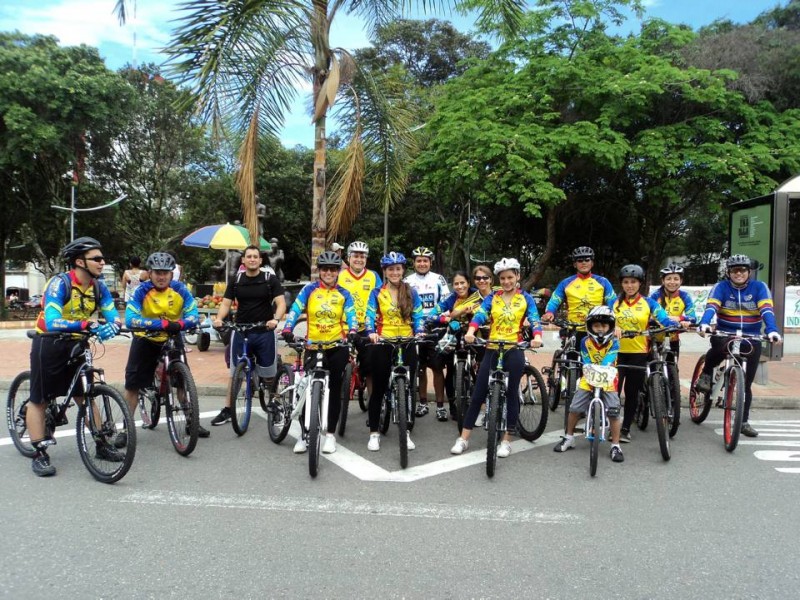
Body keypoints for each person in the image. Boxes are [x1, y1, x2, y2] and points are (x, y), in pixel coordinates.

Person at [27, 237, 122, 477]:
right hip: (49, 343)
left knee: (85, 394)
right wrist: (85, 323)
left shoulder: (99, 287)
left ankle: (101, 444)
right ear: (80, 261)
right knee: (40, 399)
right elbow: (51, 320)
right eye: (97, 259)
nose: (102, 263)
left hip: (78, 343)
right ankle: (39, 453)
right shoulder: (60, 284)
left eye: (102, 258)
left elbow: (113, 314)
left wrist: (114, 326)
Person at [450, 258, 543, 458]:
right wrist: (472, 331)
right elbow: (480, 315)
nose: (507, 281)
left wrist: (537, 336)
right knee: (478, 393)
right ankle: (463, 438)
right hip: (492, 347)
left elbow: (534, 319)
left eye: (510, 277)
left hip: (513, 348)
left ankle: (507, 440)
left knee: (511, 395)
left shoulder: (525, 298)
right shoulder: (493, 297)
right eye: (503, 278)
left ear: (517, 276)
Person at [695, 254, 782, 437]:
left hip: (751, 337)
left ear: (749, 272)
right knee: (718, 347)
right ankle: (707, 372)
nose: (739, 273)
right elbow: (712, 307)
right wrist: (704, 322)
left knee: (746, 384)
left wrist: (772, 330)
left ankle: (743, 422)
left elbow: (766, 310)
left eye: (742, 270)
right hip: (725, 332)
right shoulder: (721, 287)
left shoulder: (759, 287)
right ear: (729, 272)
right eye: (735, 270)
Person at [124, 252, 209, 438]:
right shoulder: (141, 291)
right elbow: (130, 319)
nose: (161, 277)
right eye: (157, 272)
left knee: (182, 382)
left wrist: (180, 324)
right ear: (150, 273)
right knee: (133, 385)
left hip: (172, 335)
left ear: (172, 274)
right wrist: (160, 324)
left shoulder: (180, 289)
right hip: (145, 338)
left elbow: (193, 314)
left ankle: (190, 420)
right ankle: (125, 429)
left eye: (165, 273)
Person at [281, 251, 358, 454]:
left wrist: (352, 331)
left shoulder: (344, 294)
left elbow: (352, 316)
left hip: (336, 347)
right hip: (313, 346)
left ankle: (330, 435)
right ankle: (305, 434)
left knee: (334, 389)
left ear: (337, 272)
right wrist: (288, 328)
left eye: (333, 269)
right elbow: (295, 310)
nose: (329, 273)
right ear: (319, 271)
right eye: (325, 269)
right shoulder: (309, 290)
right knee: (308, 389)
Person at [210, 245, 287, 426]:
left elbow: (281, 303)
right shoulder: (236, 280)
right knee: (234, 374)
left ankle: (274, 404)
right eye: (249, 257)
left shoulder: (270, 279)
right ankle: (228, 410)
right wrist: (219, 319)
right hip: (241, 331)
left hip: (264, 331)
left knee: (269, 375)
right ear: (243, 260)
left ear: (260, 261)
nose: (252, 259)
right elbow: (226, 304)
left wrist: (275, 319)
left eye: (255, 257)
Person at [365, 251, 425, 452]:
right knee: (379, 389)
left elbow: (418, 315)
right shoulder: (376, 293)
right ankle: (374, 433)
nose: (394, 272)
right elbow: (369, 315)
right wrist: (372, 332)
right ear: (385, 271)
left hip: (407, 342)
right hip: (383, 342)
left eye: (398, 269)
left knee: (407, 389)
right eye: (390, 269)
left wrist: (420, 331)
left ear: (402, 270)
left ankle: (405, 431)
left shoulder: (411, 291)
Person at [553, 305, 625, 463]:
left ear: (610, 326)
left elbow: (611, 358)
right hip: (589, 376)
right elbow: (585, 357)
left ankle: (615, 445)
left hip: (608, 377)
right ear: (590, 326)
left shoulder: (614, 342)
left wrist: (603, 366)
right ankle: (569, 437)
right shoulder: (585, 341)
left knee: (614, 412)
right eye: (597, 325)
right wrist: (592, 368)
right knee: (574, 408)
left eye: (604, 325)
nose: (600, 329)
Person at [611, 264, 673, 443]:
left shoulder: (649, 303)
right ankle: (611, 426)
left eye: (633, 282)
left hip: (638, 352)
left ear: (640, 284)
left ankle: (625, 428)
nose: (630, 285)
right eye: (626, 282)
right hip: (616, 353)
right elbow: (604, 318)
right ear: (622, 284)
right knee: (613, 393)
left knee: (632, 393)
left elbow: (663, 318)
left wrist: (671, 324)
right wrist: (613, 325)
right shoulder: (614, 303)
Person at [424, 271, 482, 420]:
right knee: (451, 370)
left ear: (469, 283)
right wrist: (445, 319)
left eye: (462, 283)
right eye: (456, 284)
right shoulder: (450, 299)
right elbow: (432, 315)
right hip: (455, 337)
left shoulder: (478, 294)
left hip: (477, 336)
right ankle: (453, 406)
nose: (459, 286)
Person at [404, 246, 451, 420]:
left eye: (425, 260)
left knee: (438, 368)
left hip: (435, 328)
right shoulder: (407, 280)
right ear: (414, 263)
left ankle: (440, 406)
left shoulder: (439, 279)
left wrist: (441, 317)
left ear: (430, 262)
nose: (422, 263)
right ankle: (423, 403)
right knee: (420, 369)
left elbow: (446, 301)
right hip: (416, 328)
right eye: (418, 261)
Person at [541, 246, 617, 346]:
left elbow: (613, 303)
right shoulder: (566, 283)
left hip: (597, 329)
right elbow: (555, 300)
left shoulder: (603, 282)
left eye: (587, 260)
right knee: (569, 358)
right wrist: (550, 312)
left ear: (592, 263)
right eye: (580, 260)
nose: (584, 263)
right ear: (575, 264)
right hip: (573, 328)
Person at [337, 241, 383, 396]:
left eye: (362, 256)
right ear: (349, 257)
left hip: (366, 328)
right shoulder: (339, 276)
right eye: (355, 256)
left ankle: (372, 404)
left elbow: (382, 298)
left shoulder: (373, 276)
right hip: (343, 327)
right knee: (337, 365)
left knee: (371, 368)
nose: (359, 259)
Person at [649, 263, 696, 357]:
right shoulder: (655, 296)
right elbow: (647, 315)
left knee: (672, 370)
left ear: (681, 281)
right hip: (654, 339)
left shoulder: (685, 296)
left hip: (673, 340)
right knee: (652, 369)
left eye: (676, 279)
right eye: (668, 279)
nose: (672, 282)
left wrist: (680, 318)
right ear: (663, 280)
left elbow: (693, 318)